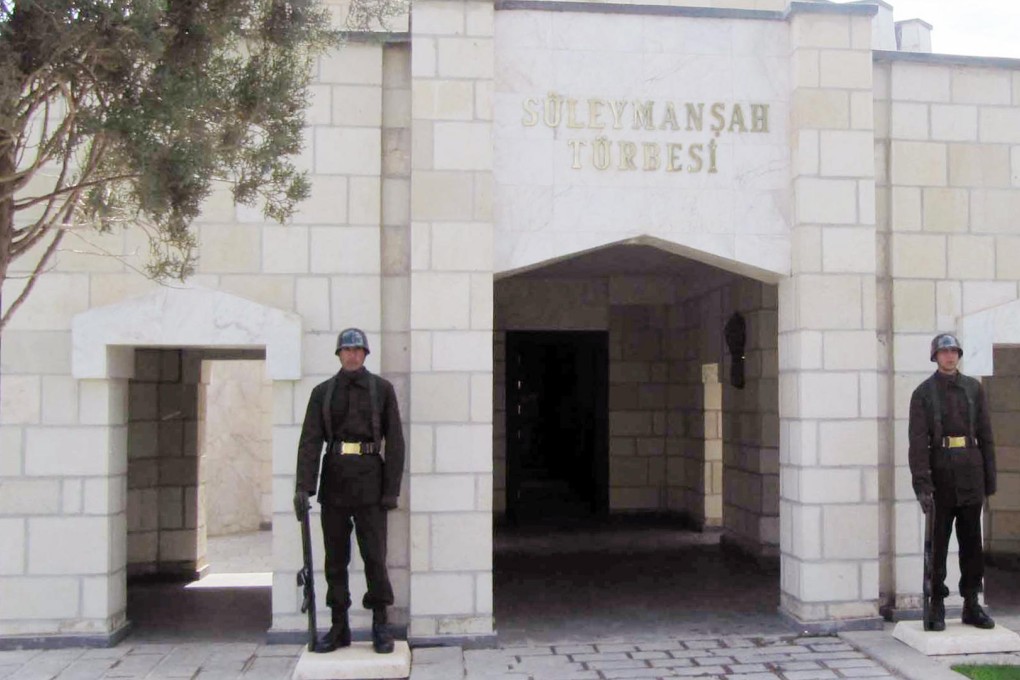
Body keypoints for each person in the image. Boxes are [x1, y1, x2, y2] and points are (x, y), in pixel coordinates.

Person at [293, 328, 405, 653]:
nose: (352, 355)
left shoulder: (381, 390)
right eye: (347, 350)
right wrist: (304, 487)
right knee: (335, 559)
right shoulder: (322, 392)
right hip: (335, 483)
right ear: (339, 354)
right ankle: (339, 626)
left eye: (358, 350)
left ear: (365, 354)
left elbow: (395, 442)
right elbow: (310, 442)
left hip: (371, 481)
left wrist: (391, 491)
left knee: (374, 557)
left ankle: (380, 625)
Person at [909, 333, 996, 631]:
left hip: (971, 473)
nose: (950, 356)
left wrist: (989, 480)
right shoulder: (923, 393)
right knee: (939, 547)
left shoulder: (974, 389)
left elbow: (985, 436)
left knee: (972, 544)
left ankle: (972, 603)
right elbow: (918, 444)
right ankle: (936, 604)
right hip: (940, 476)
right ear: (935, 356)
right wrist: (922, 484)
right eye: (944, 352)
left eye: (954, 351)